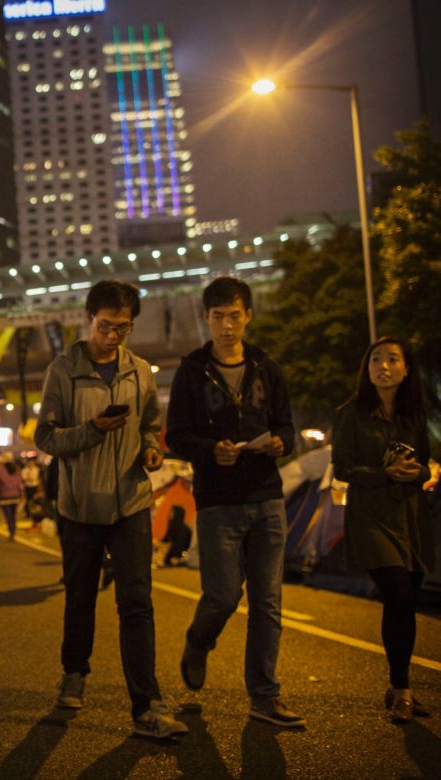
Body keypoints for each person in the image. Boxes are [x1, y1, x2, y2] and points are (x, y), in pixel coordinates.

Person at [36, 279, 187, 739]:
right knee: (80, 596)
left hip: (130, 502)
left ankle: (146, 703)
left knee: (136, 603)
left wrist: (149, 451)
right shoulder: (62, 370)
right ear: (89, 319)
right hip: (80, 506)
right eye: (106, 326)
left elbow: (149, 425)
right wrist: (94, 429)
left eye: (123, 328)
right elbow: (45, 439)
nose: (114, 336)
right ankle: (74, 672)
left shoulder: (140, 370)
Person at [166, 276, 304, 729]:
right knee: (223, 596)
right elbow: (177, 436)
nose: (227, 325)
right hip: (217, 500)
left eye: (235, 315)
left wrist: (281, 444)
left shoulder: (267, 366)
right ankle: (198, 642)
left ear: (248, 316)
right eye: (218, 316)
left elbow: (288, 427)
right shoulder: (191, 370)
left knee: (267, 602)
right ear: (207, 318)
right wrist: (212, 451)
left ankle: (264, 696)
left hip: (266, 496)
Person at [332, 337, 434, 722]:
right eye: (376, 359)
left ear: (406, 369)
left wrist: (417, 472)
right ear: (367, 368)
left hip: (410, 517)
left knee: (407, 601)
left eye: (393, 359)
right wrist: (383, 473)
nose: (384, 366)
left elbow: (426, 463)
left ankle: (398, 687)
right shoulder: (351, 413)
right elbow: (342, 467)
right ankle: (403, 690)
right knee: (398, 593)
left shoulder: (414, 415)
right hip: (371, 517)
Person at [0, 459, 25, 540]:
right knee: (13, 515)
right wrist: (22, 494)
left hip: (5, 497)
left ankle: (11, 531)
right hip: (15, 496)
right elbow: (20, 484)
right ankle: (13, 530)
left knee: (8, 516)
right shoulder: (15, 471)